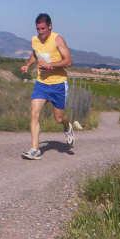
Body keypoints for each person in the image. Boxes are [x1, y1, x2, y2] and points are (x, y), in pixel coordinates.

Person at [20, 13, 74, 160]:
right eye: (38, 29)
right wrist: (28, 64)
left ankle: (67, 126)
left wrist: (50, 66)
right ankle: (35, 149)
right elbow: (35, 54)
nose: (40, 32)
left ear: (50, 26)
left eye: (43, 28)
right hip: (42, 83)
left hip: (58, 84)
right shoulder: (35, 40)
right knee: (34, 113)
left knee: (59, 118)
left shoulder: (57, 39)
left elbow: (68, 61)